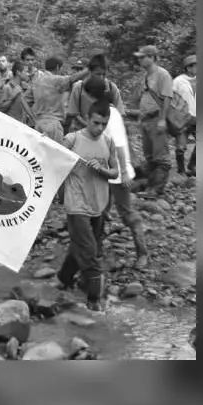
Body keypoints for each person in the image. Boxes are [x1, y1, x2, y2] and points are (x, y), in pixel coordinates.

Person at [55, 100, 120, 312]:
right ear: (87, 119)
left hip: (99, 203)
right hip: (76, 203)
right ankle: (94, 302)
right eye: (96, 123)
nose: (99, 128)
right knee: (91, 253)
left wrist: (102, 169)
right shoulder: (72, 139)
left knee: (80, 246)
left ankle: (63, 278)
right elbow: (53, 160)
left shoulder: (108, 141)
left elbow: (115, 172)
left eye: (104, 124)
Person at [83, 76, 150, 269]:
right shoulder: (101, 111)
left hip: (118, 173)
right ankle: (97, 250)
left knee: (126, 213)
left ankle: (142, 253)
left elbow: (120, 145)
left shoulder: (110, 115)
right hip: (104, 171)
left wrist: (125, 173)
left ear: (90, 94)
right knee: (99, 211)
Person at [130, 45, 174, 198]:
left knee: (161, 156)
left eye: (143, 57)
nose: (140, 60)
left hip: (157, 118)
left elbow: (167, 98)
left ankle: (157, 189)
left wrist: (162, 119)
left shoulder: (163, 74)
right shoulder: (146, 76)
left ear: (153, 57)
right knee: (149, 155)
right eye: (140, 57)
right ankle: (150, 187)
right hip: (146, 120)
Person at [24, 56, 90, 144]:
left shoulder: (37, 81)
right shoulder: (57, 80)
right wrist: (91, 68)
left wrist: (32, 117)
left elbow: (23, 100)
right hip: (53, 125)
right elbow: (73, 78)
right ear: (58, 67)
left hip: (38, 124)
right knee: (54, 156)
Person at [66, 54, 126, 133]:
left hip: (103, 134)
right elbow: (73, 112)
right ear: (90, 72)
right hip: (81, 132)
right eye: (98, 74)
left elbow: (120, 114)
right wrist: (89, 126)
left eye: (104, 74)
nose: (101, 77)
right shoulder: (79, 87)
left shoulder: (112, 88)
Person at [172, 54, 197, 176]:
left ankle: (193, 165)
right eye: (195, 66)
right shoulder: (177, 81)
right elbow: (171, 99)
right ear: (188, 67)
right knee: (180, 147)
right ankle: (181, 171)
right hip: (183, 117)